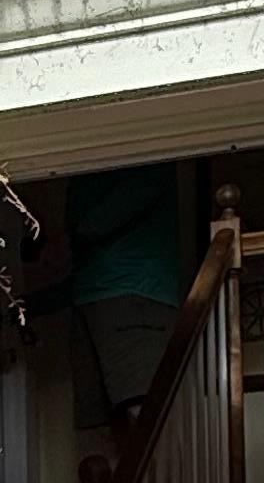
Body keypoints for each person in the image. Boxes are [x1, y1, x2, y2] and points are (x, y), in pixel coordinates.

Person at [65, 163, 187, 428]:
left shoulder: (141, 148)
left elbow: (142, 188)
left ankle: (163, 472)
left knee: (142, 413)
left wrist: (79, 233)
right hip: (90, 294)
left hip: (136, 293)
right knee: (101, 425)